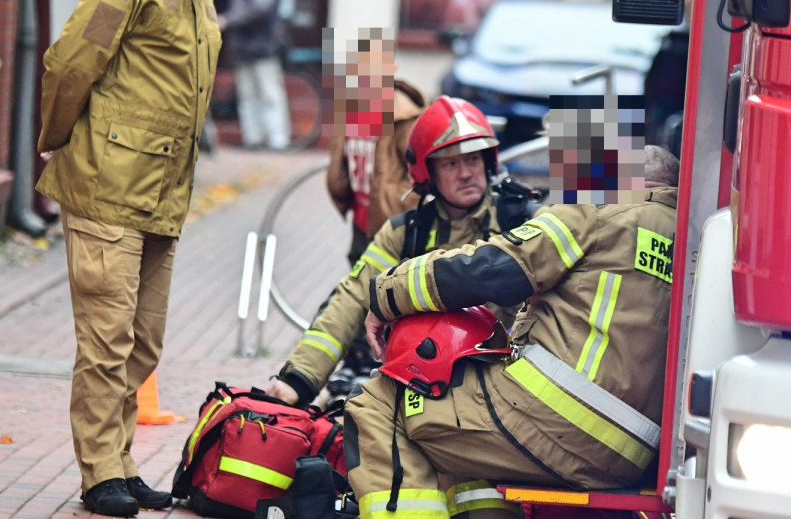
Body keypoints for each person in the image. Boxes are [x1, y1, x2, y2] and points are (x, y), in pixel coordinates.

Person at [33, 0, 268, 516]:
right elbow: (71, 65)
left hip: (159, 198)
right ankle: (100, 472)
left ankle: (123, 461)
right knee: (107, 340)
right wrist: (53, 140)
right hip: (106, 188)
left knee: (143, 342)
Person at [346, 145, 680, 518]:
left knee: (380, 400)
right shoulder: (688, 238)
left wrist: (388, 292)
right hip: (632, 455)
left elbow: (494, 268)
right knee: (465, 444)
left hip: (553, 419)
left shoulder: (600, 211)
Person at [264, 96, 541, 408]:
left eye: (474, 160)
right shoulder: (406, 232)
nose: (466, 173)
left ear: (488, 162)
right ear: (427, 173)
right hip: (424, 382)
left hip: (508, 381)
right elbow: (353, 297)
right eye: (451, 163)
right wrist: (298, 379)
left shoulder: (521, 219)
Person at [327, 29, 425, 265]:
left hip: (391, 222)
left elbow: (422, 174)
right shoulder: (351, 111)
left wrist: (399, 204)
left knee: (384, 288)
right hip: (361, 219)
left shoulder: (404, 117)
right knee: (358, 280)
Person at [216, 0, 290, 150]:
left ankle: (278, 138)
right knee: (247, 93)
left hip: (265, 45)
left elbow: (259, 8)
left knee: (269, 93)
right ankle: (253, 137)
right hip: (242, 45)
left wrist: (228, 19)